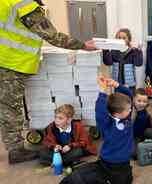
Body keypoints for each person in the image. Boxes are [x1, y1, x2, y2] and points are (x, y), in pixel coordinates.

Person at [0, 0, 96, 164]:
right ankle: (15, 150)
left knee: (8, 105)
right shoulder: (24, 4)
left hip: (7, 60)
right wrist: (82, 45)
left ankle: (15, 147)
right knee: (10, 107)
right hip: (11, 62)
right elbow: (51, 35)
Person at [61, 76, 134, 184]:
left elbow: (129, 96)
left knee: (127, 179)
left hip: (124, 162)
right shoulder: (107, 124)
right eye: (128, 109)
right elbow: (100, 110)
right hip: (108, 163)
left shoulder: (126, 118)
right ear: (118, 113)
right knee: (76, 179)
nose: (131, 110)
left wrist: (116, 85)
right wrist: (102, 91)